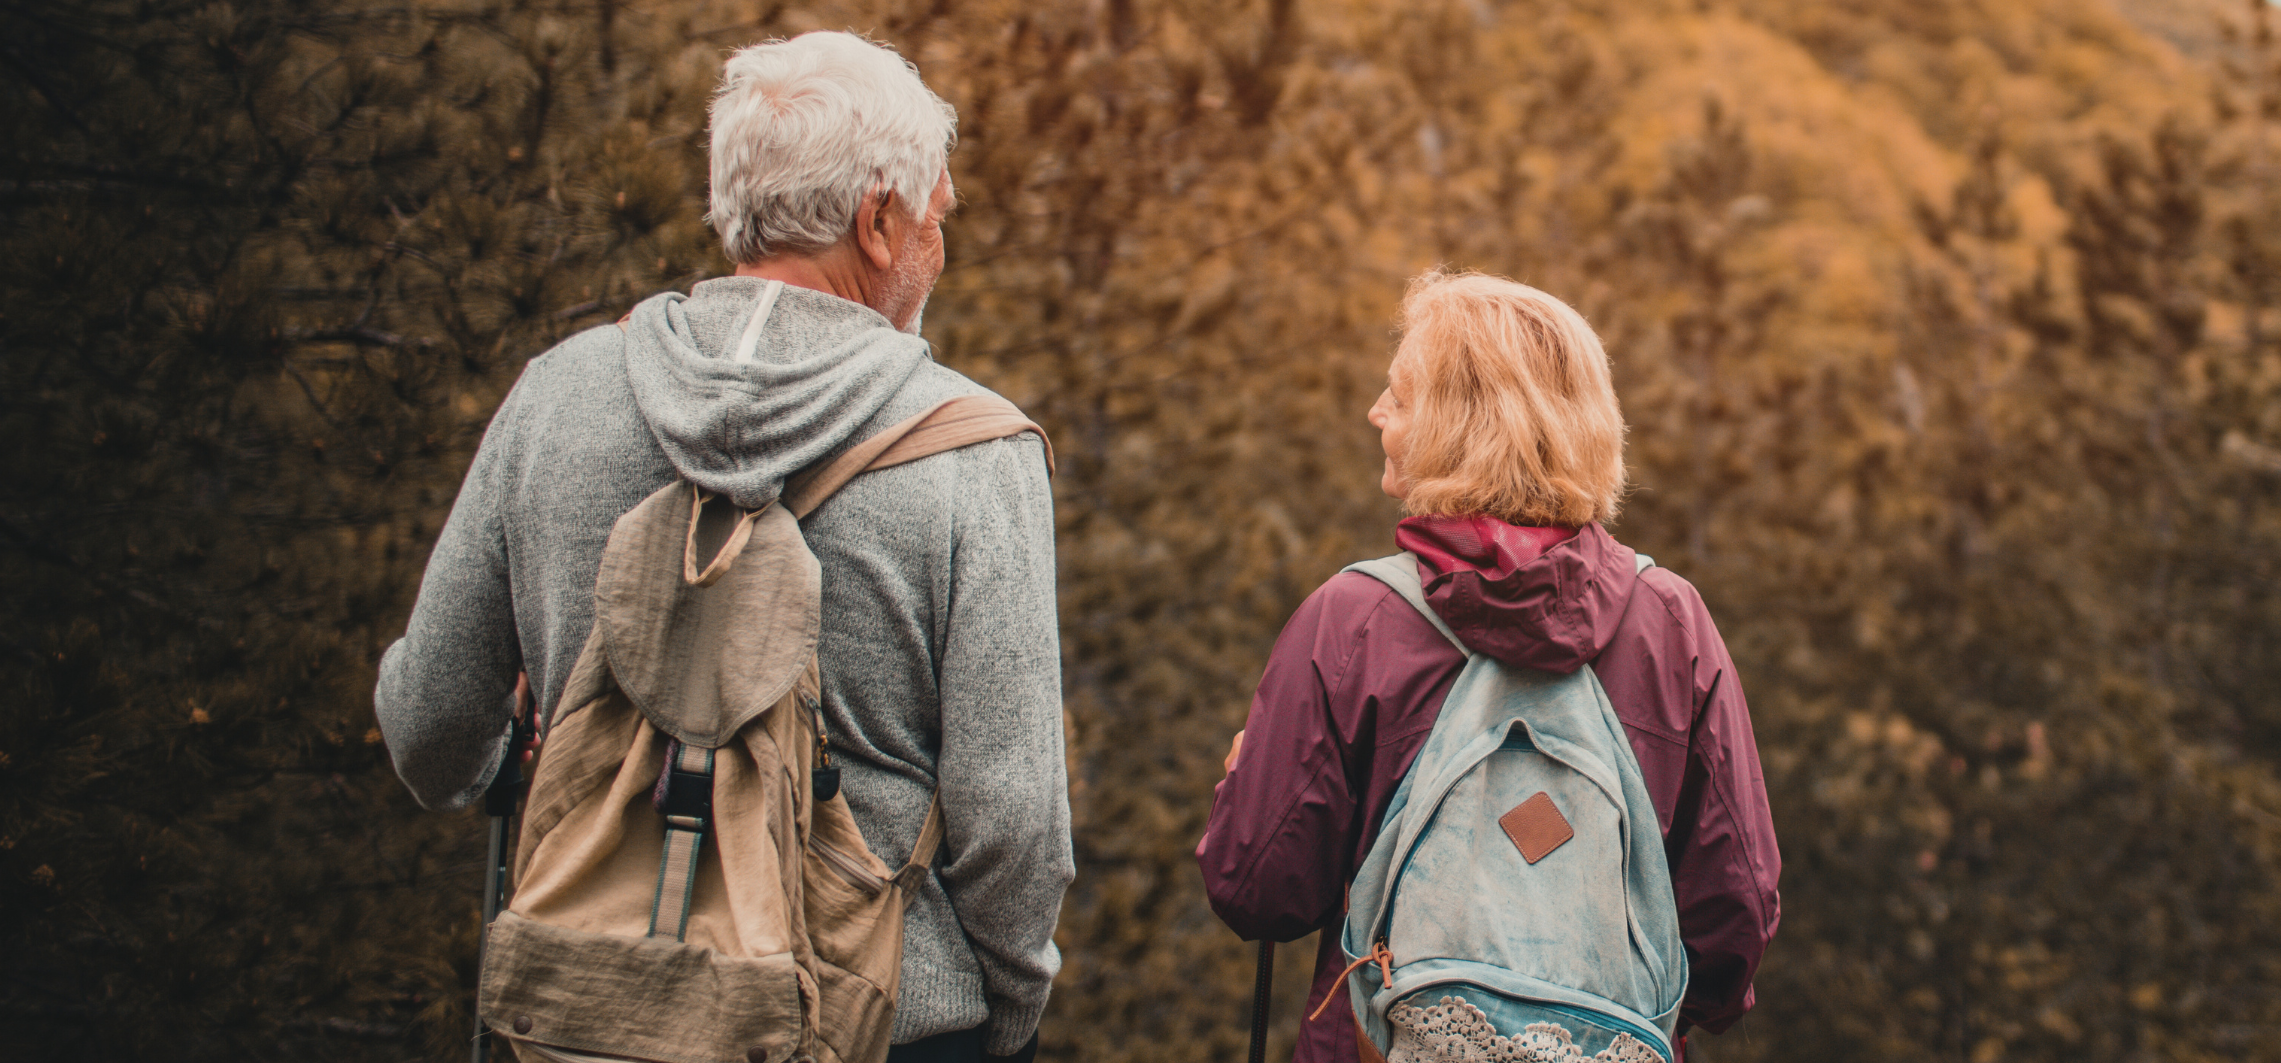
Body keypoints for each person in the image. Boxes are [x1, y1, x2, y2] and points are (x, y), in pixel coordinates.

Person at [372, 31, 1068, 1063]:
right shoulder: (973, 452)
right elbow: (1013, 821)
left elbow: (429, 729)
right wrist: (987, 1012)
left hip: (588, 1013)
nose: (937, 245)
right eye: (935, 216)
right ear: (878, 222)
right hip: (874, 1022)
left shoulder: (556, 395)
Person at [1199, 271, 1782, 1062]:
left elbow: (1258, 891)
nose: (1376, 411)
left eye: (1398, 395)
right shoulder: (1673, 623)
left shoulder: (1354, 618)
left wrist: (1245, 788)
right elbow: (1736, 912)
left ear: (1455, 424)